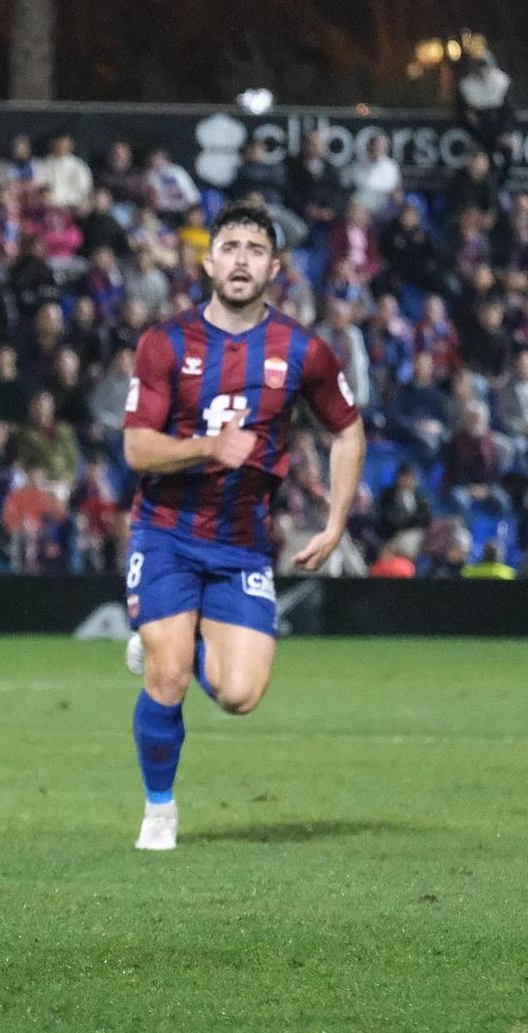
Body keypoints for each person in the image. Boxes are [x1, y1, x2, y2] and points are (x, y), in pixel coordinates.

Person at [118, 202, 365, 852]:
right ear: (208, 262)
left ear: (274, 268)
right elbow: (138, 449)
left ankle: (173, 637)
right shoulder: (165, 343)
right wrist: (204, 448)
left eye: (255, 250)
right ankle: (160, 810)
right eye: (229, 247)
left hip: (241, 544)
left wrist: (337, 520)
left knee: (240, 695)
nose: (240, 260)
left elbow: (347, 429)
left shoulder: (302, 350)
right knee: (167, 679)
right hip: (167, 530)